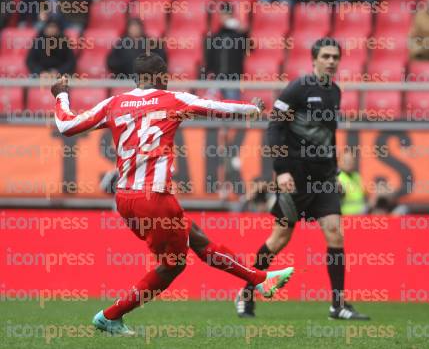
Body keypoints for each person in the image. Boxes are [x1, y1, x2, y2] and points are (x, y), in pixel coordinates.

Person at [50, 53, 294, 336]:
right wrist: (250, 109)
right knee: (173, 265)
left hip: (126, 199)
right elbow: (211, 106)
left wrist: (61, 95)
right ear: (161, 76)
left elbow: (66, 126)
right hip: (154, 198)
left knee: (197, 238)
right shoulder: (172, 99)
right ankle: (109, 316)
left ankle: (258, 279)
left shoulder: (114, 103)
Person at [235, 38, 370, 320]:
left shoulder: (335, 91)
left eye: (336, 56)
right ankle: (246, 291)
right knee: (279, 238)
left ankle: (338, 305)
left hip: (324, 178)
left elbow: (328, 135)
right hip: (295, 177)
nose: (332, 61)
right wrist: (281, 169)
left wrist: (334, 169)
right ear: (314, 59)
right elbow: (275, 127)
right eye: (326, 56)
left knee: (335, 232)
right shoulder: (298, 88)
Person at [203, 3, 248, 99]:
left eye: (227, 15)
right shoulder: (216, 36)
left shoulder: (238, 35)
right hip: (217, 77)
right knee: (211, 105)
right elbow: (210, 57)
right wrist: (208, 72)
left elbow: (249, 48)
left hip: (232, 78)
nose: (224, 17)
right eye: (222, 15)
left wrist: (244, 33)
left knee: (233, 107)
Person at [337, 150, 367, 215]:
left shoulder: (357, 176)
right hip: (346, 216)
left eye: (350, 161)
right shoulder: (337, 178)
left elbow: (363, 194)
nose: (348, 163)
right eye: (345, 161)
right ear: (339, 162)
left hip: (360, 216)